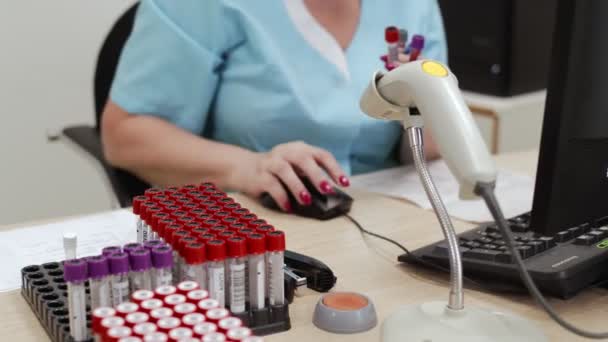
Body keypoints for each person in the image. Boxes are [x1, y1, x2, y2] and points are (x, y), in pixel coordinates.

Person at [101, 0, 447, 212]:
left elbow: (427, 139)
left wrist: (438, 122)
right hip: (252, 222)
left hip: (385, 215)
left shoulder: (413, 4)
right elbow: (125, 135)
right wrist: (248, 168)